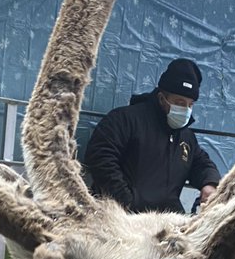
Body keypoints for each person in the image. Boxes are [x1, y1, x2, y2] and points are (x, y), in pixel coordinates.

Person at [83, 58, 220, 214]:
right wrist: (126, 202)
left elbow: (201, 163)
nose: (186, 110)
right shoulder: (124, 120)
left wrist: (210, 184)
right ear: (162, 99)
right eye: (179, 102)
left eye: (190, 105)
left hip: (166, 224)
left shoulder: (186, 138)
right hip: (122, 219)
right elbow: (100, 158)